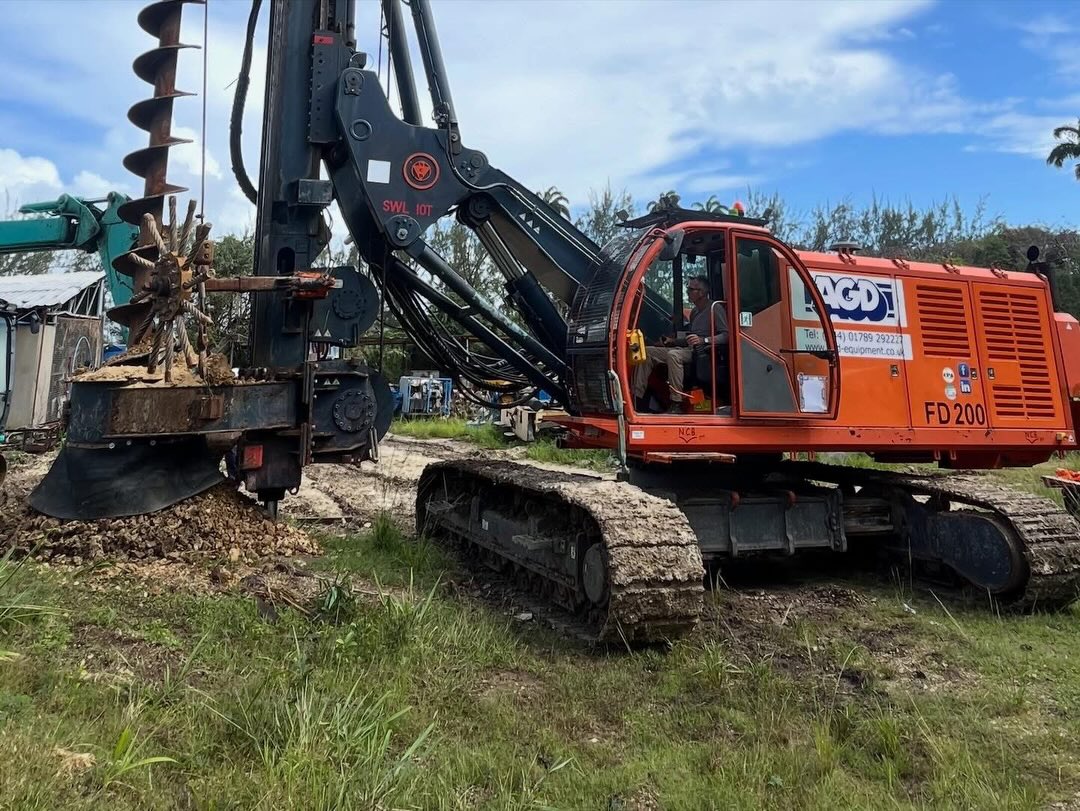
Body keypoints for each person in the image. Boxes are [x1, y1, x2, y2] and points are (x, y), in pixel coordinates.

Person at [632, 275, 728, 412]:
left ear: (701, 292)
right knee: (646, 351)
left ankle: (676, 403)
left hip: (702, 352)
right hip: (688, 349)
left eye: (690, 289)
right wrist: (672, 341)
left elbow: (727, 335)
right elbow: (689, 338)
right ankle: (638, 398)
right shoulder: (694, 312)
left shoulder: (715, 308)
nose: (687, 292)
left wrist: (704, 340)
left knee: (673, 355)